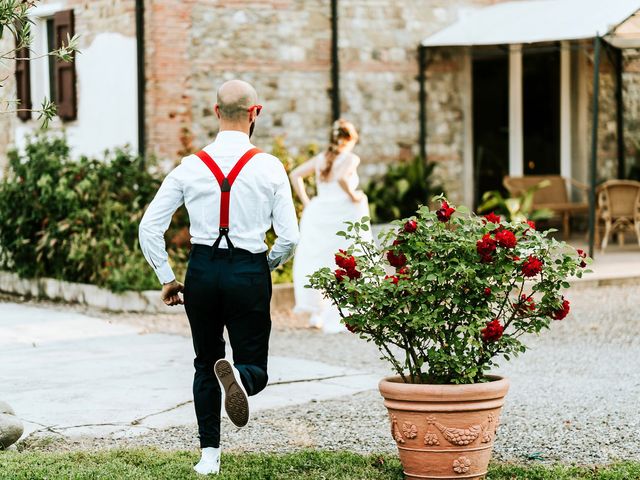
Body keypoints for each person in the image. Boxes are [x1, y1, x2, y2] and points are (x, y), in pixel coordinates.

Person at [139, 79, 299, 475]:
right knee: (255, 368)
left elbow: (149, 226)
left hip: (203, 272)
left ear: (215, 112)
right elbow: (290, 237)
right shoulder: (269, 166)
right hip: (248, 269)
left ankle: (208, 455)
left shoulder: (190, 167)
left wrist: (167, 277)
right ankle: (241, 378)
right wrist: (267, 264)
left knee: (205, 362)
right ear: (254, 113)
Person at [289, 119, 371, 333]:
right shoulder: (351, 158)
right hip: (342, 213)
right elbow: (343, 178)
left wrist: (307, 201)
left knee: (317, 260)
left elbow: (295, 174)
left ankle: (317, 313)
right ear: (350, 139)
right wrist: (353, 195)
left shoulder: (322, 158)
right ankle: (343, 307)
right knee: (345, 258)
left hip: (319, 212)